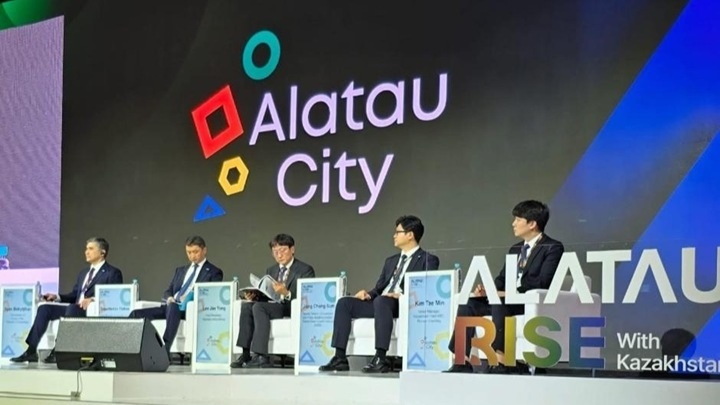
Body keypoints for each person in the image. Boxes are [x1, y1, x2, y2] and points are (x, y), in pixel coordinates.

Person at [446, 200, 564, 374]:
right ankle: (461, 360)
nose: (513, 224)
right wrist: (488, 290)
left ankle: (500, 360)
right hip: (504, 300)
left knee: (499, 301)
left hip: (527, 301)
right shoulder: (515, 249)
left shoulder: (552, 247)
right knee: (468, 303)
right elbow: (502, 278)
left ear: (532, 224)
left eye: (518, 219)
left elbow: (543, 282)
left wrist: (507, 293)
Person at [319, 215, 440, 374]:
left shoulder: (428, 259)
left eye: (398, 232)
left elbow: (425, 288)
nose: (394, 236)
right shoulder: (391, 261)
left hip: (402, 303)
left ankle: (380, 358)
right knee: (344, 303)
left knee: (382, 301)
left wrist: (402, 296)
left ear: (410, 235)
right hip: (381, 302)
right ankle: (339, 357)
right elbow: (379, 287)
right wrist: (368, 295)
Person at [10, 237, 123, 363]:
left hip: (90, 310)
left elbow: (114, 296)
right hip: (74, 308)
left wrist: (93, 299)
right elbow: (75, 295)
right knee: (44, 308)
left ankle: (58, 350)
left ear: (102, 252)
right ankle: (31, 351)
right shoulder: (84, 273)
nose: (86, 252)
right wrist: (57, 297)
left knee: (72, 308)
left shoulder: (112, 272)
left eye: (91, 249)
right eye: (86, 249)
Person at [129, 236, 222, 355]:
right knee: (135, 314)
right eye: (189, 252)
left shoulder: (214, 272)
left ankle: (164, 350)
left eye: (195, 252)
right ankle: (129, 349)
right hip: (171, 306)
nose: (192, 256)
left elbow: (211, 295)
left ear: (204, 250)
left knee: (173, 307)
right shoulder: (181, 270)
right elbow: (169, 290)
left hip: (189, 309)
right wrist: (169, 298)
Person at [232, 234, 315, 368]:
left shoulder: (305, 270)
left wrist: (286, 293)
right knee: (248, 306)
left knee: (259, 308)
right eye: (275, 252)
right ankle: (245, 353)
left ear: (292, 249)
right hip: (273, 306)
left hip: (291, 307)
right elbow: (268, 294)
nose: (279, 255)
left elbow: (308, 296)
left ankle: (261, 355)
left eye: (283, 250)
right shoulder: (271, 270)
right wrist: (255, 296)